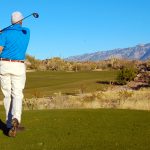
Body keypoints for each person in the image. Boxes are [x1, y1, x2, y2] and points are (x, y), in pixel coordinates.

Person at [0, 11, 30, 137]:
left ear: (11, 21)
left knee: (7, 95)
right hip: (19, 66)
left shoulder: (4, 33)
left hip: (4, 65)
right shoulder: (26, 32)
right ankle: (16, 118)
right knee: (17, 94)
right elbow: (21, 29)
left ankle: (8, 125)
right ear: (21, 20)